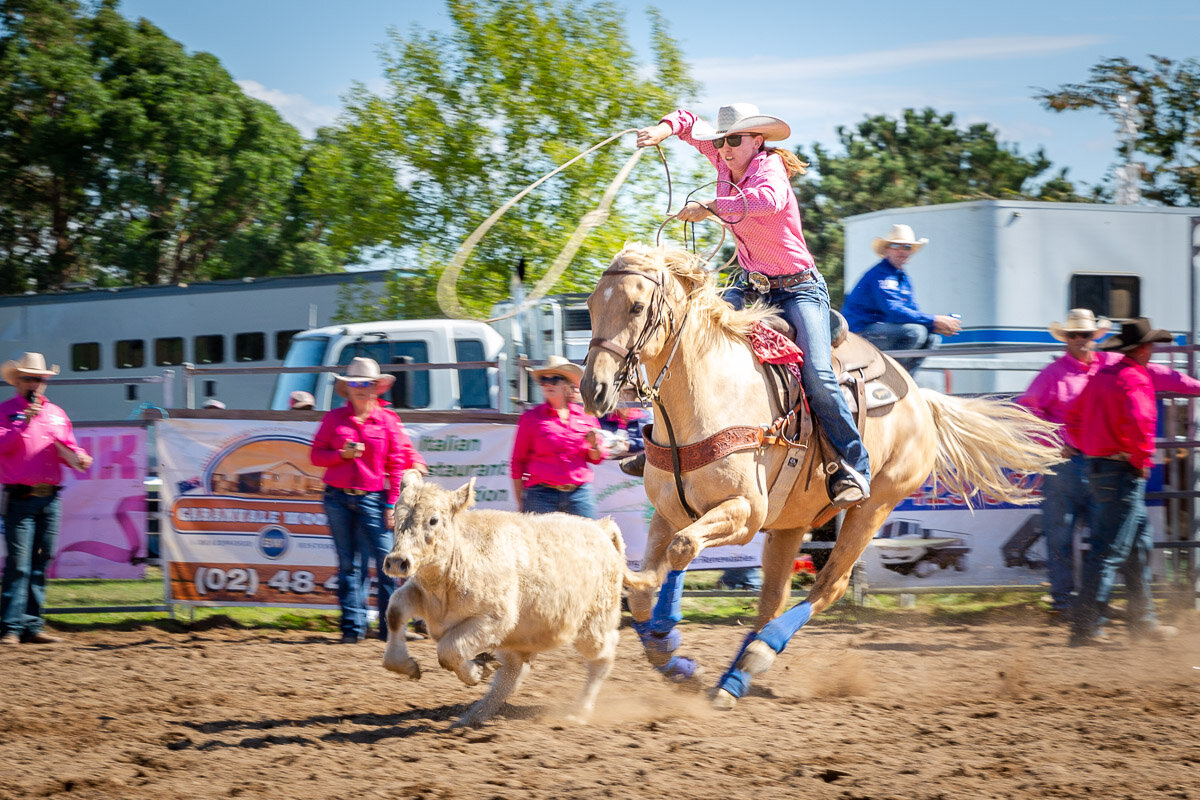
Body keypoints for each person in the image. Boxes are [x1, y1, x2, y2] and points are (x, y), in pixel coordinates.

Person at [637, 103, 870, 508]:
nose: (724, 148)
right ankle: (663, 444)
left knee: (816, 374)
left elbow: (764, 202)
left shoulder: (770, 170)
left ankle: (855, 465)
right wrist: (663, 131)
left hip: (800, 290)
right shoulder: (724, 159)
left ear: (756, 141)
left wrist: (709, 207)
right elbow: (688, 120)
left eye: (734, 140)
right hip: (751, 286)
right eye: (722, 141)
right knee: (688, 336)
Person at [1065, 318, 1200, 647]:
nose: (1153, 349)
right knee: (1109, 551)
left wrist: (1094, 447)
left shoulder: (1104, 376)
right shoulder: (1135, 378)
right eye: (1151, 345)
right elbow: (1140, 422)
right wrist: (1140, 461)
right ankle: (1085, 628)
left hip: (1100, 468)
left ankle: (1143, 622)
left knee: (1135, 549)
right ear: (1143, 348)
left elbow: (1074, 419)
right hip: (1122, 471)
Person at [310, 357, 426, 644]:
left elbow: (397, 464)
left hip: (374, 499)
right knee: (348, 564)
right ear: (348, 389)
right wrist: (341, 455)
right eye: (356, 383)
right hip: (337, 497)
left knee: (388, 562)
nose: (362, 388)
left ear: (377, 387)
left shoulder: (386, 421)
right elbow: (315, 456)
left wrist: (391, 505)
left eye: (367, 383)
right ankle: (352, 629)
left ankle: (390, 628)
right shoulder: (333, 419)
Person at [0, 352, 93, 645]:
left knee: (41, 561)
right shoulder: (5, 412)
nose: (35, 383)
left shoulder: (56, 413)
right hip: (20, 497)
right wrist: (22, 423)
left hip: (50, 498)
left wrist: (78, 457)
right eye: (29, 378)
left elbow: (66, 446)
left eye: (39, 379)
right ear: (17, 381)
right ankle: (10, 628)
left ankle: (32, 625)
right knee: (20, 563)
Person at [841, 224, 962, 373]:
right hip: (858, 333)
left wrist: (934, 326)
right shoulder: (881, 274)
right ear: (886, 250)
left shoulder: (903, 279)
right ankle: (890, 377)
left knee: (932, 338)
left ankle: (907, 382)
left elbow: (910, 312)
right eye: (895, 245)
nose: (901, 251)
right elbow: (893, 311)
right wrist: (934, 321)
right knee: (915, 332)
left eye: (907, 247)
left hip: (878, 331)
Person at [511, 356, 606, 517]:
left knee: (586, 541)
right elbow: (518, 462)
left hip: (579, 494)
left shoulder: (586, 417)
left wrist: (594, 445)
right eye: (543, 380)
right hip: (540, 495)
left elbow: (597, 458)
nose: (547, 384)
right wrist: (520, 500)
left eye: (554, 379)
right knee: (540, 542)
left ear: (567, 385)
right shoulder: (530, 418)